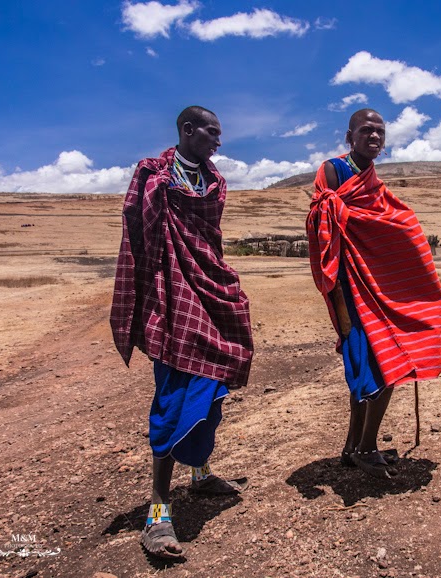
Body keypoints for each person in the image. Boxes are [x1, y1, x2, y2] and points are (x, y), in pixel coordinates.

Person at [110, 106, 253, 559]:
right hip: (170, 299)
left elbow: (208, 239)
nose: (218, 141)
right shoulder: (153, 176)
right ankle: (158, 511)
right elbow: (140, 235)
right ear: (188, 130)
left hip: (208, 290)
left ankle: (200, 474)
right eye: (212, 132)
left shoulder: (214, 182)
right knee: (172, 398)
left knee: (209, 384)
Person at [306, 109, 441, 479]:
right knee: (382, 366)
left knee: (376, 366)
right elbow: (326, 228)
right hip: (350, 288)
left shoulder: (374, 182)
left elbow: (394, 227)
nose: (374, 136)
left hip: (378, 288)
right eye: (366, 130)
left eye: (380, 132)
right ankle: (366, 448)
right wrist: (337, 294)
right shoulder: (333, 171)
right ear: (349, 136)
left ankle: (352, 448)